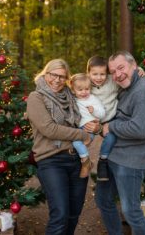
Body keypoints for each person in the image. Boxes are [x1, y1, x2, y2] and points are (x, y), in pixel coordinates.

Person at [95, 51, 145, 235]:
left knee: (131, 211)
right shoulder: (125, 88)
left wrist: (112, 126)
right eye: (113, 71)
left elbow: (140, 130)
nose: (117, 74)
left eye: (121, 67)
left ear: (134, 66)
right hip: (115, 155)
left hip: (132, 160)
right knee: (103, 200)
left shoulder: (144, 91)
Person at [26, 59, 93, 235]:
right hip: (51, 161)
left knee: (74, 213)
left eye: (62, 77)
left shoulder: (72, 96)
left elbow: (97, 87)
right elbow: (49, 129)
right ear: (45, 74)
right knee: (60, 214)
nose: (57, 80)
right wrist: (81, 135)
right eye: (53, 75)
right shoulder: (36, 98)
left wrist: (136, 71)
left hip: (77, 160)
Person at [86, 55, 145, 181]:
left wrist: (137, 69)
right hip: (92, 118)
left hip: (110, 118)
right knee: (84, 138)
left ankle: (103, 160)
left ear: (107, 74)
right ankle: (82, 160)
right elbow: (73, 84)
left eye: (102, 74)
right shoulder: (86, 83)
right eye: (95, 74)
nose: (98, 78)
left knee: (111, 137)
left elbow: (125, 77)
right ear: (88, 73)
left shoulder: (111, 82)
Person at [70, 73, 106, 178]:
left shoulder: (93, 99)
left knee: (77, 143)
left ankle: (85, 163)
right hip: (79, 128)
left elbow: (102, 113)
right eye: (80, 90)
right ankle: (86, 161)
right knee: (76, 143)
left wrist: (94, 111)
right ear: (74, 90)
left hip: (89, 128)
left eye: (87, 89)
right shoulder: (74, 100)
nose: (84, 92)